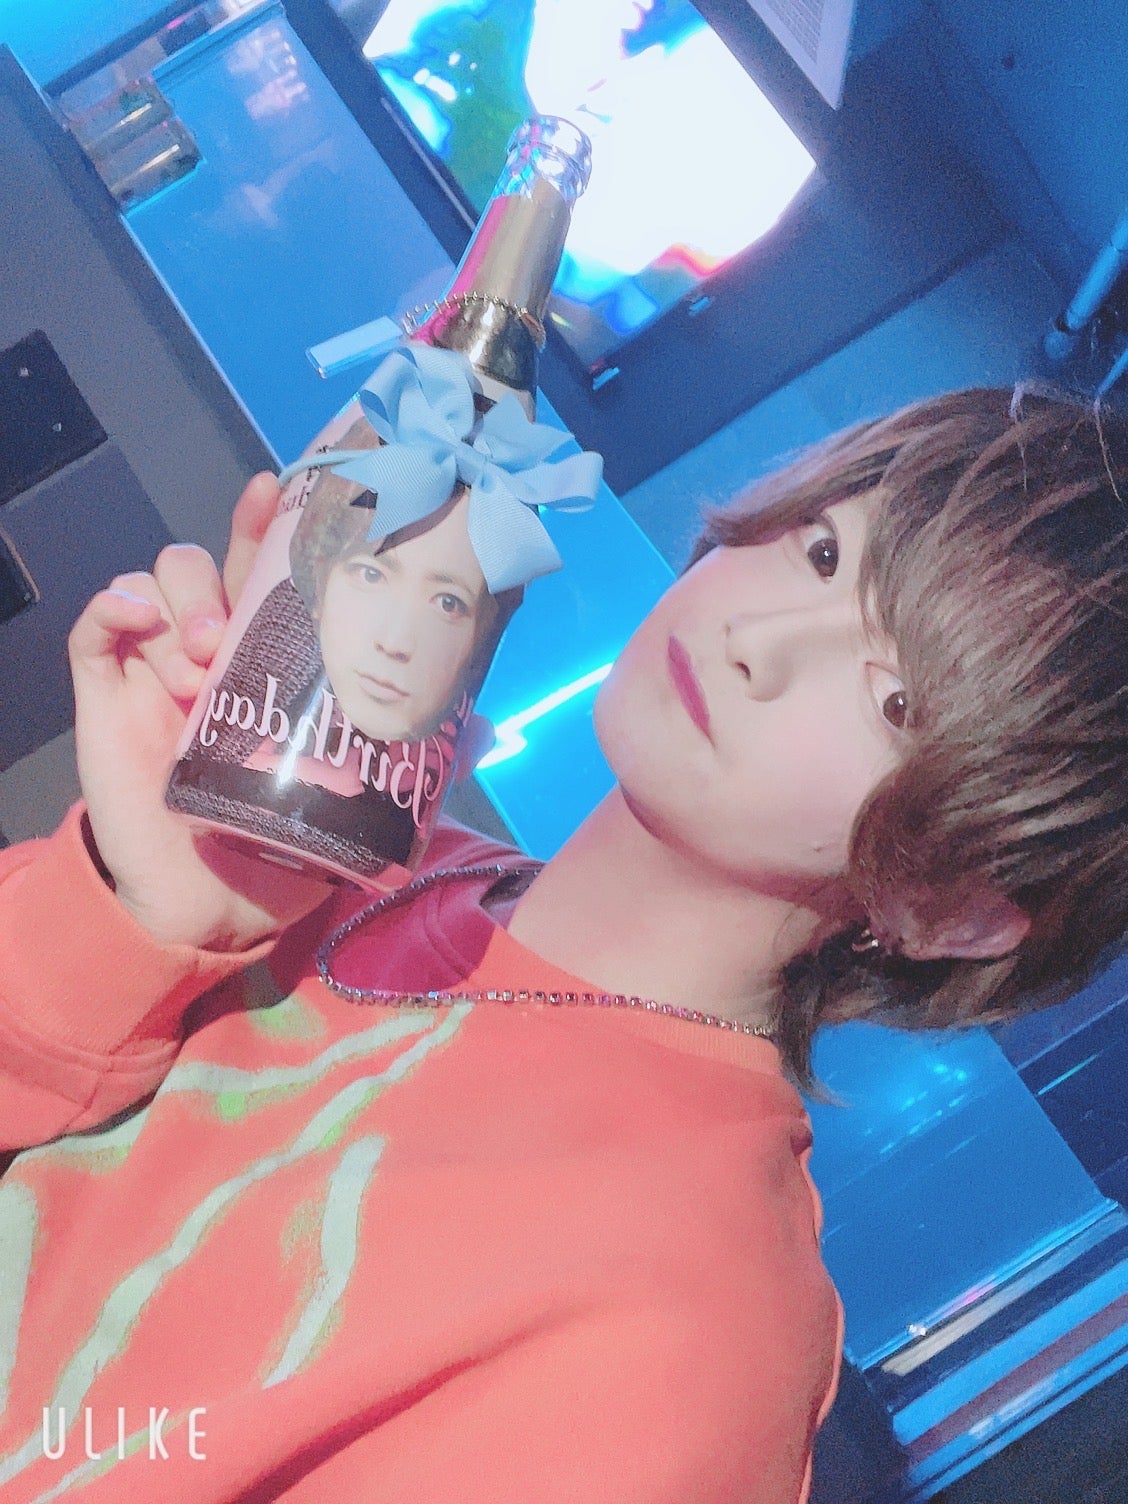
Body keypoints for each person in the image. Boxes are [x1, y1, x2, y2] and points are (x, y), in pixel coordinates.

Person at [0, 386, 1125, 1502]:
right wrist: (132, 911)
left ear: (955, 912)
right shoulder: (346, 859)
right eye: (823, 552)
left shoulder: (697, 1330)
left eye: (896, 703)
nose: (763, 642)